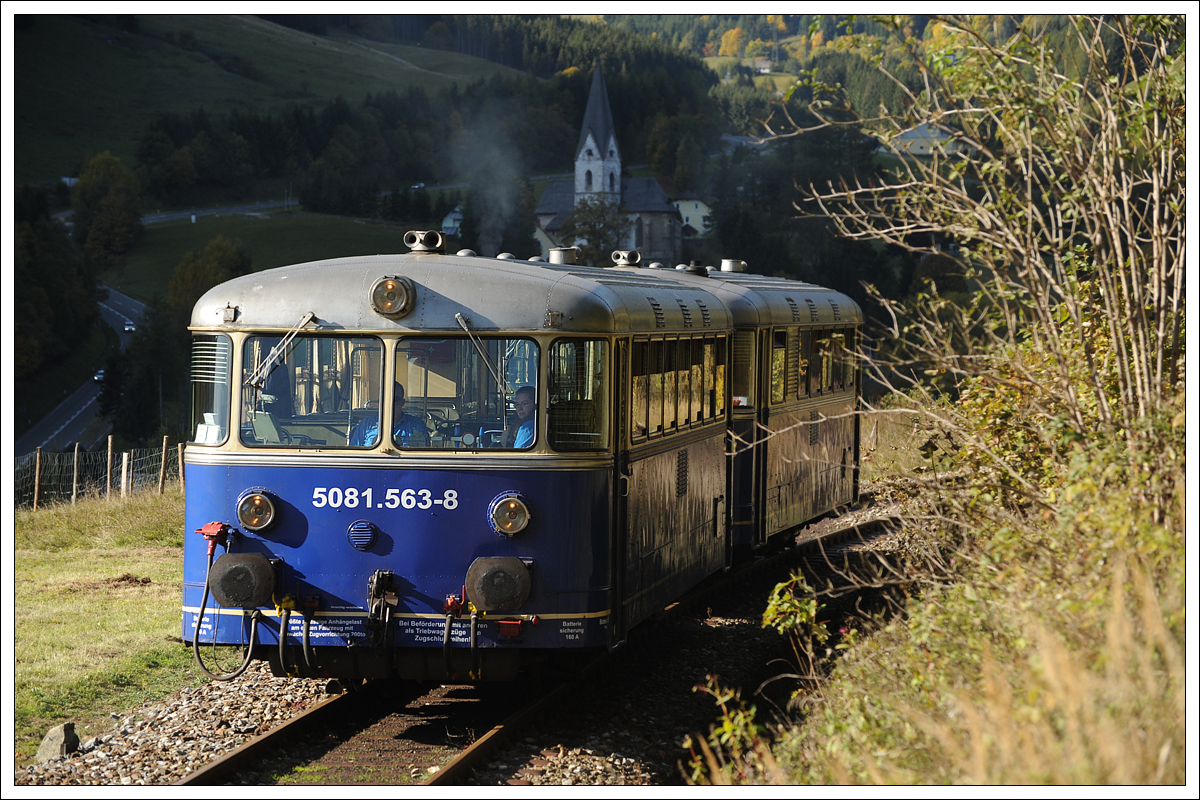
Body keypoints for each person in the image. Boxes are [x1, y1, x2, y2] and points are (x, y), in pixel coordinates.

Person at [350, 382, 429, 447]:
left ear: (403, 402)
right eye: (386, 399)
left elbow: (424, 452)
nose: (391, 404)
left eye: (396, 400)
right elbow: (353, 452)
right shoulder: (366, 424)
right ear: (379, 402)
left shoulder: (416, 424)